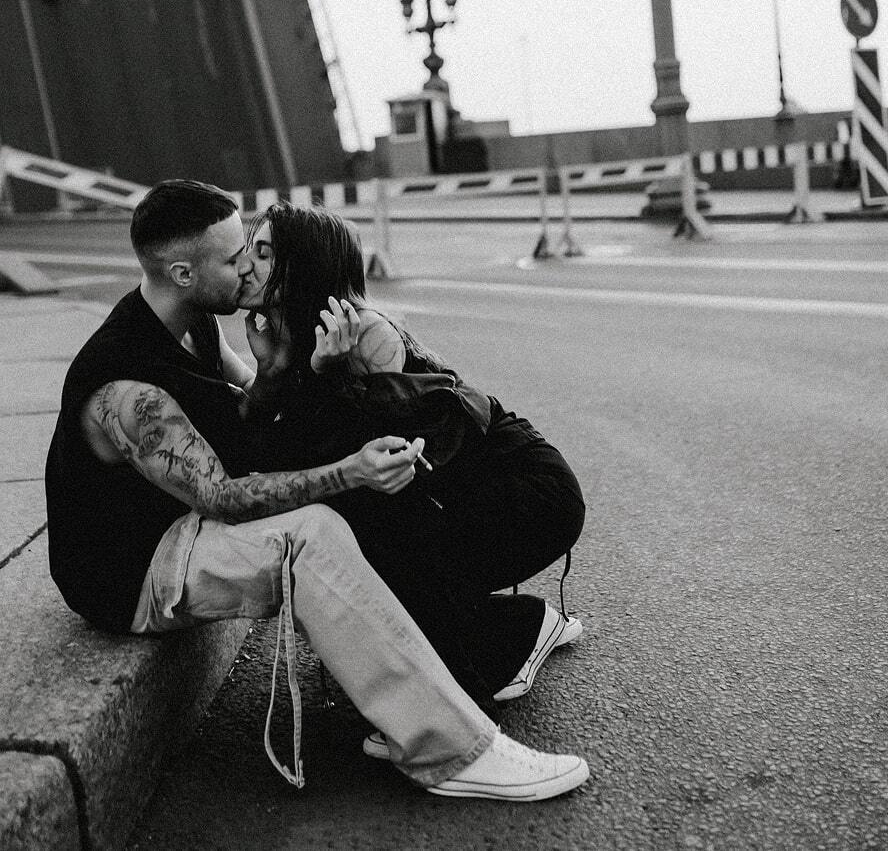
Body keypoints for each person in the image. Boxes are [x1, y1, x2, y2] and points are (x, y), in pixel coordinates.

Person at [44, 179, 589, 802]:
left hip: (181, 517)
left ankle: (483, 650)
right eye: (234, 257)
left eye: (253, 249)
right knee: (311, 534)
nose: (246, 266)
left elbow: (247, 419)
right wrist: (350, 470)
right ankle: (452, 752)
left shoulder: (195, 325)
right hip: (133, 567)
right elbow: (220, 496)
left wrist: (276, 371)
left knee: (346, 518)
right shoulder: (126, 388)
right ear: (183, 273)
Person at [237, 202, 586, 732]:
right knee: (373, 538)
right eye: (250, 250)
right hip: (458, 496)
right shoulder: (290, 337)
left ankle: (483, 683)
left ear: (304, 266)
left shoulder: (367, 336)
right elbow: (263, 452)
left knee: (382, 536)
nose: (246, 265)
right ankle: (508, 629)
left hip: (527, 492)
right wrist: (271, 370)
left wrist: (326, 374)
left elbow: (396, 458)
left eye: (264, 253)